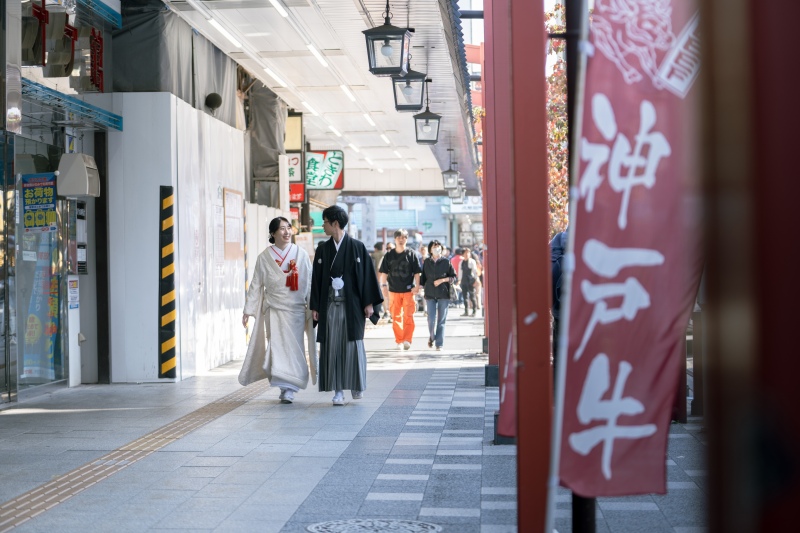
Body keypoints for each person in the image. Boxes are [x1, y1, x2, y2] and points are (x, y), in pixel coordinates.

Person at [310, 206, 383, 406]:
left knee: (353, 345)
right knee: (332, 346)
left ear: (335, 224)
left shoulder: (357, 247)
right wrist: (315, 305)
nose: (322, 226)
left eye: (324, 222)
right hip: (330, 305)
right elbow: (316, 280)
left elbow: (367, 276)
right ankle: (338, 390)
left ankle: (356, 385)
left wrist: (369, 303)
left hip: (352, 306)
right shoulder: (323, 249)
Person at [240, 217, 315, 404]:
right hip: (273, 309)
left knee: (294, 348)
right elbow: (256, 284)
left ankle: (290, 386)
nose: (287, 232)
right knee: (277, 348)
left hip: (296, 309)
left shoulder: (301, 254)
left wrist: (314, 306)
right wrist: (248, 310)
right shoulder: (264, 257)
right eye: (282, 229)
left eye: (289, 228)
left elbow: (310, 282)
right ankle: (285, 387)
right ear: (273, 233)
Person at [379, 229, 422, 350]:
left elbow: (417, 272)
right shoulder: (388, 255)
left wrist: (417, 285)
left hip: (409, 290)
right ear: (395, 239)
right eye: (399, 237)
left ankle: (407, 339)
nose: (401, 239)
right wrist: (383, 286)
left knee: (408, 316)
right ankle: (399, 340)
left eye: (403, 237)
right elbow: (384, 273)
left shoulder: (412, 254)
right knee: (396, 317)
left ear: (407, 239)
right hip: (393, 290)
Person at [420, 240, 457, 351]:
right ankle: (432, 337)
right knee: (430, 319)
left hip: (443, 293)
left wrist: (442, 280)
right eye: (434, 247)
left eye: (438, 247)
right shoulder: (427, 262)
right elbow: (423, 278)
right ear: (430, 249)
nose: (436, 249)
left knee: (441, 320)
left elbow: (453, 277)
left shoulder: (446, 262)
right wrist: (420, 288)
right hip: (430, 293)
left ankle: (439, 344)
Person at [550, 228, 568, 372]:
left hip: (558, 309)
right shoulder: (589, 240)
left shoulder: (556, 241)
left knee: (558, 354)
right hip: (582, 310)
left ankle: (557, 385)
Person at [458, 248, 479, 317]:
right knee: (465, 297)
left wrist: (476, 280)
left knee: (472, 296)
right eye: (465, 253)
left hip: (470, 280)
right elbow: (460, 272)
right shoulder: (461, 262)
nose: (467, 254)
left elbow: (475, 271)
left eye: (468, 253)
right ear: (463, 254)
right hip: (464, 280)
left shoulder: (472, 261)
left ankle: (474, 311)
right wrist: (459, 280)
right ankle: (466, 311)